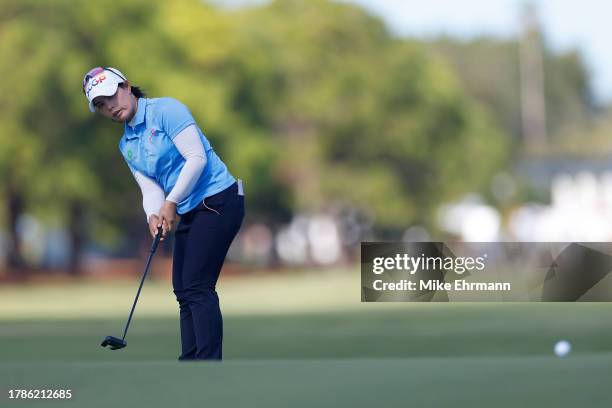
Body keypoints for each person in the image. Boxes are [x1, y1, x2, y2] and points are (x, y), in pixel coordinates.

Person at [82, 66, 245, 360]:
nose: (110, 107)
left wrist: (171, 203)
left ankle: (207, 365)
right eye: (101, 106)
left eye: (111, 97)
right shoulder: (126, 144)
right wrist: (153, 216)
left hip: (220, 199)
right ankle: (190, 362)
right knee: (183, 289)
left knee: (197, 284)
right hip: (191, 207)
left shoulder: (166, 110)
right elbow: (150, 191)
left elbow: (196, 159)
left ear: (127, 86)